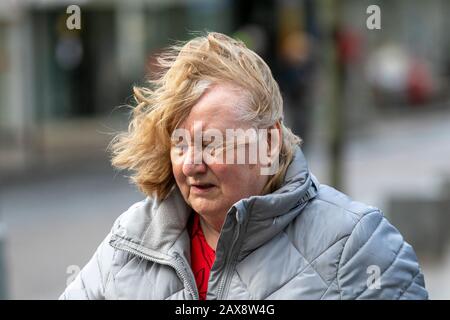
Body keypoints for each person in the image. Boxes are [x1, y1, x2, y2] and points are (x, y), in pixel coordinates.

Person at [60, 32, 428, 300]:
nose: (191, 164)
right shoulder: (131, 240)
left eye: (211, 143)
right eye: (180, 143)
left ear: (268, 143)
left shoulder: (358, 246)